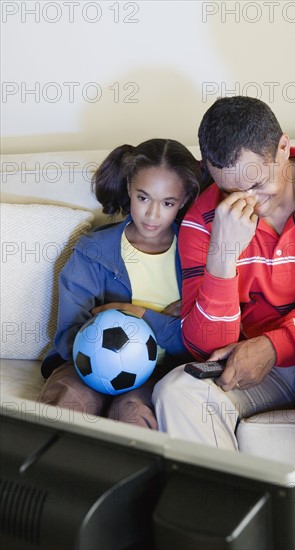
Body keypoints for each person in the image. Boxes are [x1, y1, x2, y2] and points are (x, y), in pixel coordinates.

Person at [151, 97, 295, 549]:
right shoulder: (204, 220)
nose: (250, 202)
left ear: (284, 148)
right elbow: (204, 345)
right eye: (232, 189)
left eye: (260, 183)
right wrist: (223, 255)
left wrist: (278, 345)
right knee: (177, 391)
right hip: (253, 372)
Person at [38, 138, 201, 428]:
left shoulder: (198, 253)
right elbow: (67, 336)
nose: (153, 214)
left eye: (168, 203)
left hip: (160, 372)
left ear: (185, 200)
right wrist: (164, 320)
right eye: (143, 198)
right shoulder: (93, 250)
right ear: (128, 188)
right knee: (68, 404)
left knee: (132, 414)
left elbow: (199, 340)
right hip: (85, 366)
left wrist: (138, 313)